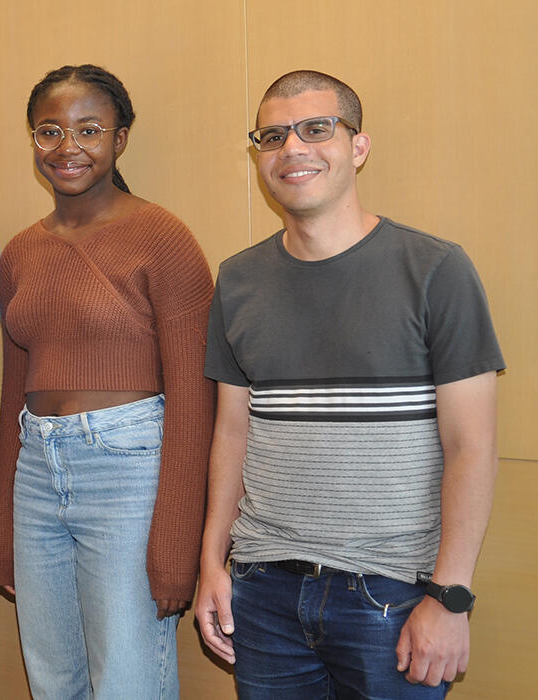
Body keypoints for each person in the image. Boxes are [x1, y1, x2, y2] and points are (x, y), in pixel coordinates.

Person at [196, 70, 504, 699]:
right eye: (273, 136)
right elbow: (230, 433)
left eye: (317, 129)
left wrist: (450, 598)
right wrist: (211, 563)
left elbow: (472, 447)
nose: (293, 149)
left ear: (358, 147)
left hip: (391, 594)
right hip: (264, 590)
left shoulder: (436, 270)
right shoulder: (237, 280)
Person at [0, 64, 215, 699]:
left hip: (129, 466)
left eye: (89, 129)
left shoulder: (163, 238)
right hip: (38, 470)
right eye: (49, 130)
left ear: (121, 138)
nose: (67, 147)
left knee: (128, 679)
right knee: (53, 677)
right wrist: (3, 523)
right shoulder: (21, 251)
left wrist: (176, 542)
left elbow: (196, 402)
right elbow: (13, 398)